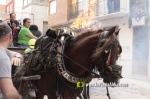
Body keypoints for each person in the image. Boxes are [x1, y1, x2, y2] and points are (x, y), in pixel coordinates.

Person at [0, 23, 23, 99]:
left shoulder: (4, 52)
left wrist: (17, 56)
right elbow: (9, 94)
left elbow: (15, 53)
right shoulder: (3, 58)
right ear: (11, 36)